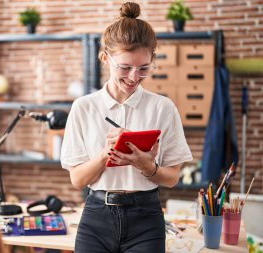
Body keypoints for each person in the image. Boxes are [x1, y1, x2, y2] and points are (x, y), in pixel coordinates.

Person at [60, 2, 193, 253]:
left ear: (153, 59)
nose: (134, 77)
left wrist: (147, 166)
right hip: (96, 218)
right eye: (125, 67)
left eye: (144, 68)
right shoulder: (83, 107)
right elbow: (78, 180)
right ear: (104, 58)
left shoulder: (163, 108)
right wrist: (104, 155)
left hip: (146, 218)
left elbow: (173, 177)